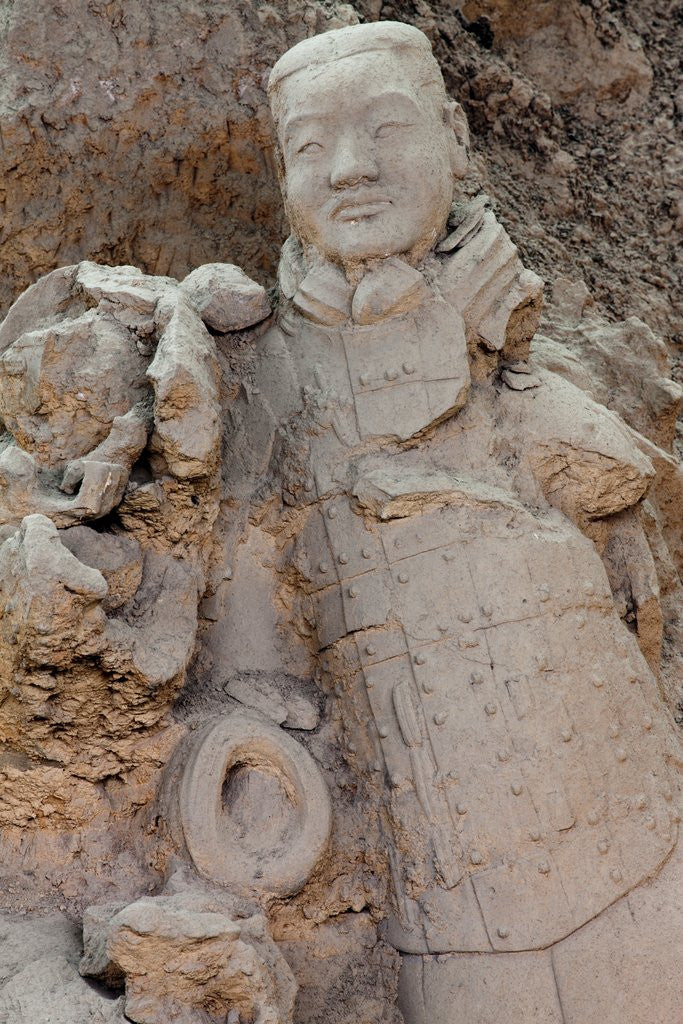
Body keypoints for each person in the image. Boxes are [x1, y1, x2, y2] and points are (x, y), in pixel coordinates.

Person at [210, 22, 681, 1023]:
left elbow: (625, 508)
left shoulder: (521, 340)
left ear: (458, 139)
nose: (347, 171)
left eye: (386, 129)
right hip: (457, 922)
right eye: (306, 148)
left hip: (643, 855)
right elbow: (248, 656)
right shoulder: (259, 380)